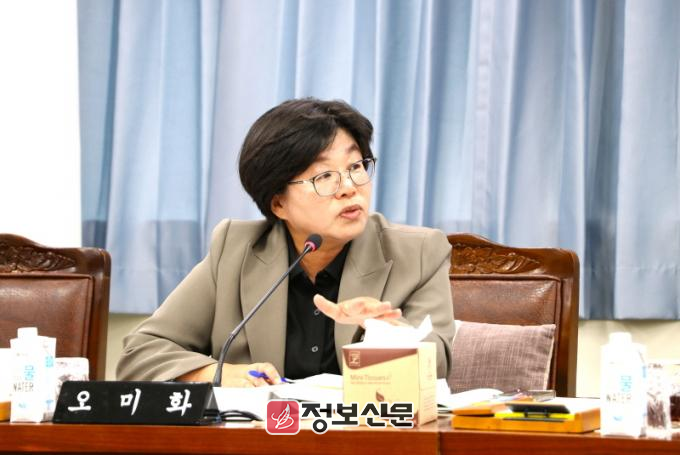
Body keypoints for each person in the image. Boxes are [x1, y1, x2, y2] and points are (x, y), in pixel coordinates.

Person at [117, 98, 455, 387]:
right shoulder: (235, 250)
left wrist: (385, 331)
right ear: (278, 204)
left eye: (355, 166)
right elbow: (141, 352)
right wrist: (221, 374)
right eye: (325, 176)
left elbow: (437, 364)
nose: (349, 187)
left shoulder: (418, 253)